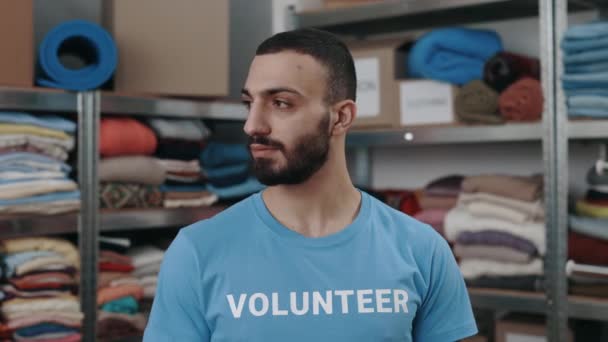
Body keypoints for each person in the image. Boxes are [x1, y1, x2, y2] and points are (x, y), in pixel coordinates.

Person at [143, 28, 477, 341]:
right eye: (249, 103)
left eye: (281, 103)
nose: (252, 124)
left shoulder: (422, 250)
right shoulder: (197, 252)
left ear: (341, 117)